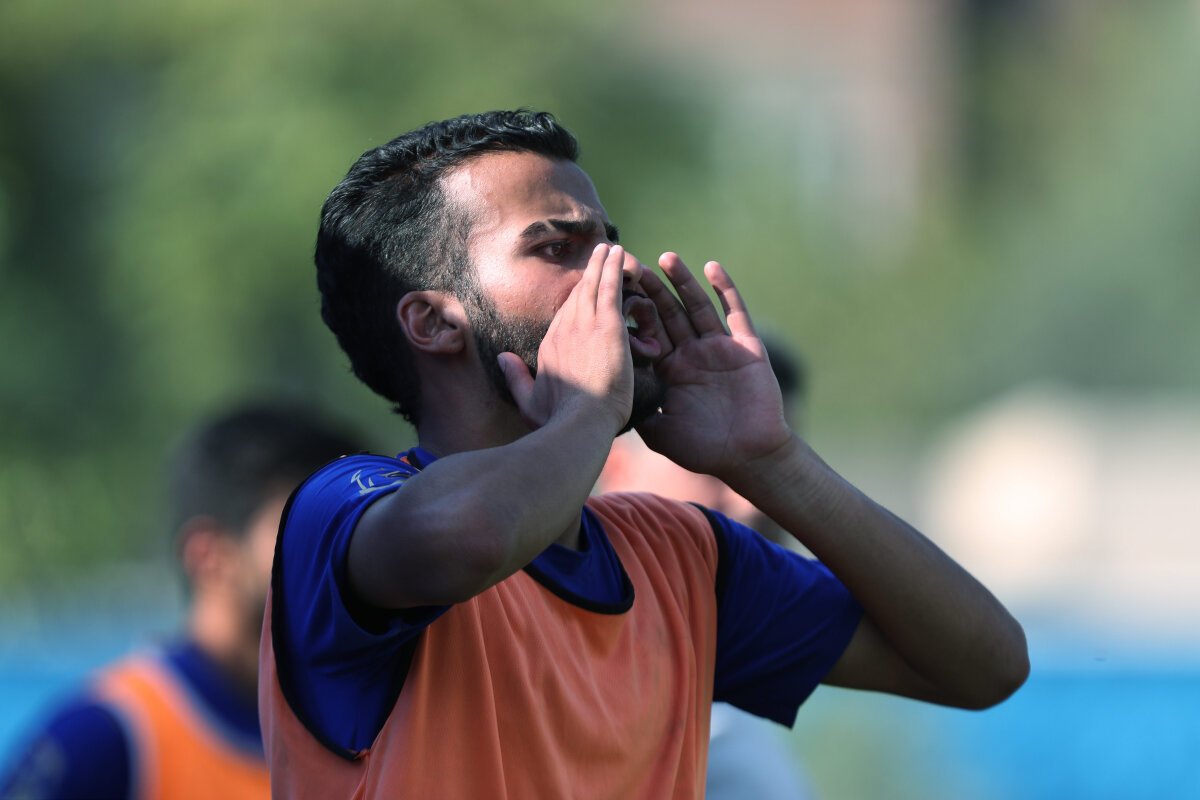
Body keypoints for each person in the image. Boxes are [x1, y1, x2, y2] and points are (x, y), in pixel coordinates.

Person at [261, 109, 1029, 799]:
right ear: (433, 323)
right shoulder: (342, 511)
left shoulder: (680, 558)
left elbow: (985, 666)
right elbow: (469, 540)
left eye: (610, 243)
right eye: (557, 248)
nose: (620, 270)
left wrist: (770, 460)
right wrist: (590, 409)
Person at [0, 404, 362, 800]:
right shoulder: (106, 740)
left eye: (350, 528)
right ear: (211, 557)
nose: (343, 553)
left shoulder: (366, 734)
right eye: (310, 528)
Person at [599, 336, 818, 799]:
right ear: (617, 470)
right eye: (716, 465)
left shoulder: (732, 668)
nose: (751, 503)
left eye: (777, 468)